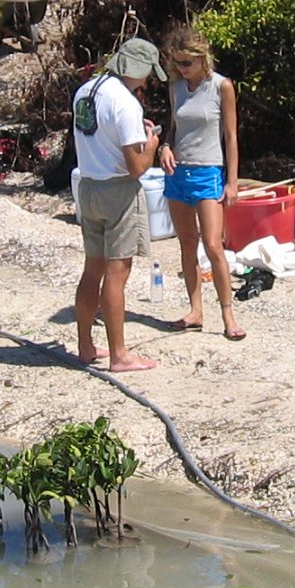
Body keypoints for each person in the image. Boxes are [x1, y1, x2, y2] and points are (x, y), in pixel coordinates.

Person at [71, 36, 165, 372]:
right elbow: (137, 167)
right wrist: (151, 143)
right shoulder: (125, 102)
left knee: (91, 268)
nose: (148, 82)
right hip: (118, 193)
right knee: (117, 272)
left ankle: (85, 344)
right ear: (138, 70)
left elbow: (98, 136)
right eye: (147, 75)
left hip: (88, 187)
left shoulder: (86, 90)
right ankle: (119, 354)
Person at [157, 23, 245, 341]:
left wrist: (232, 181)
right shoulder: (176, 86)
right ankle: (195, 310)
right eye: (176, 63)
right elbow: (173, 127)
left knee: (213, 245)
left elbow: (231, 136)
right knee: (186, 243)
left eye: (186, 63)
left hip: (209, 170)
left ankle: (228, 313)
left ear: (202, 58)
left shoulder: (221, 86)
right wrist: (165, 146)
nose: (181, 68)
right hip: (178, 172)